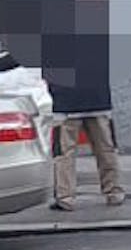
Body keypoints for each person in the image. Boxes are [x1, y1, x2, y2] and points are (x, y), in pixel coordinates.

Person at [49, 62, 125, 210]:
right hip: (98, 98)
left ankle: (65, 198)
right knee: (106, 150)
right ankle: (114, 192)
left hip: (66, 102)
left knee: (64, 153)